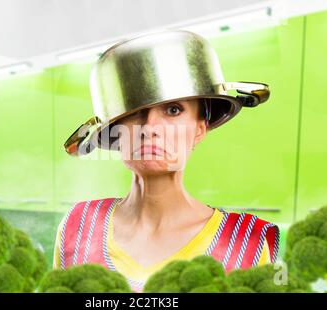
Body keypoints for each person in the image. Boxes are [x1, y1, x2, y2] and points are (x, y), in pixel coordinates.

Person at [54, 30, 279, 292]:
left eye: (173, 110)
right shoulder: (77, 225)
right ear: (115, 131)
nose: (150, 127)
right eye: (136, 112)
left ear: (200, 128)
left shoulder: (248, 243)